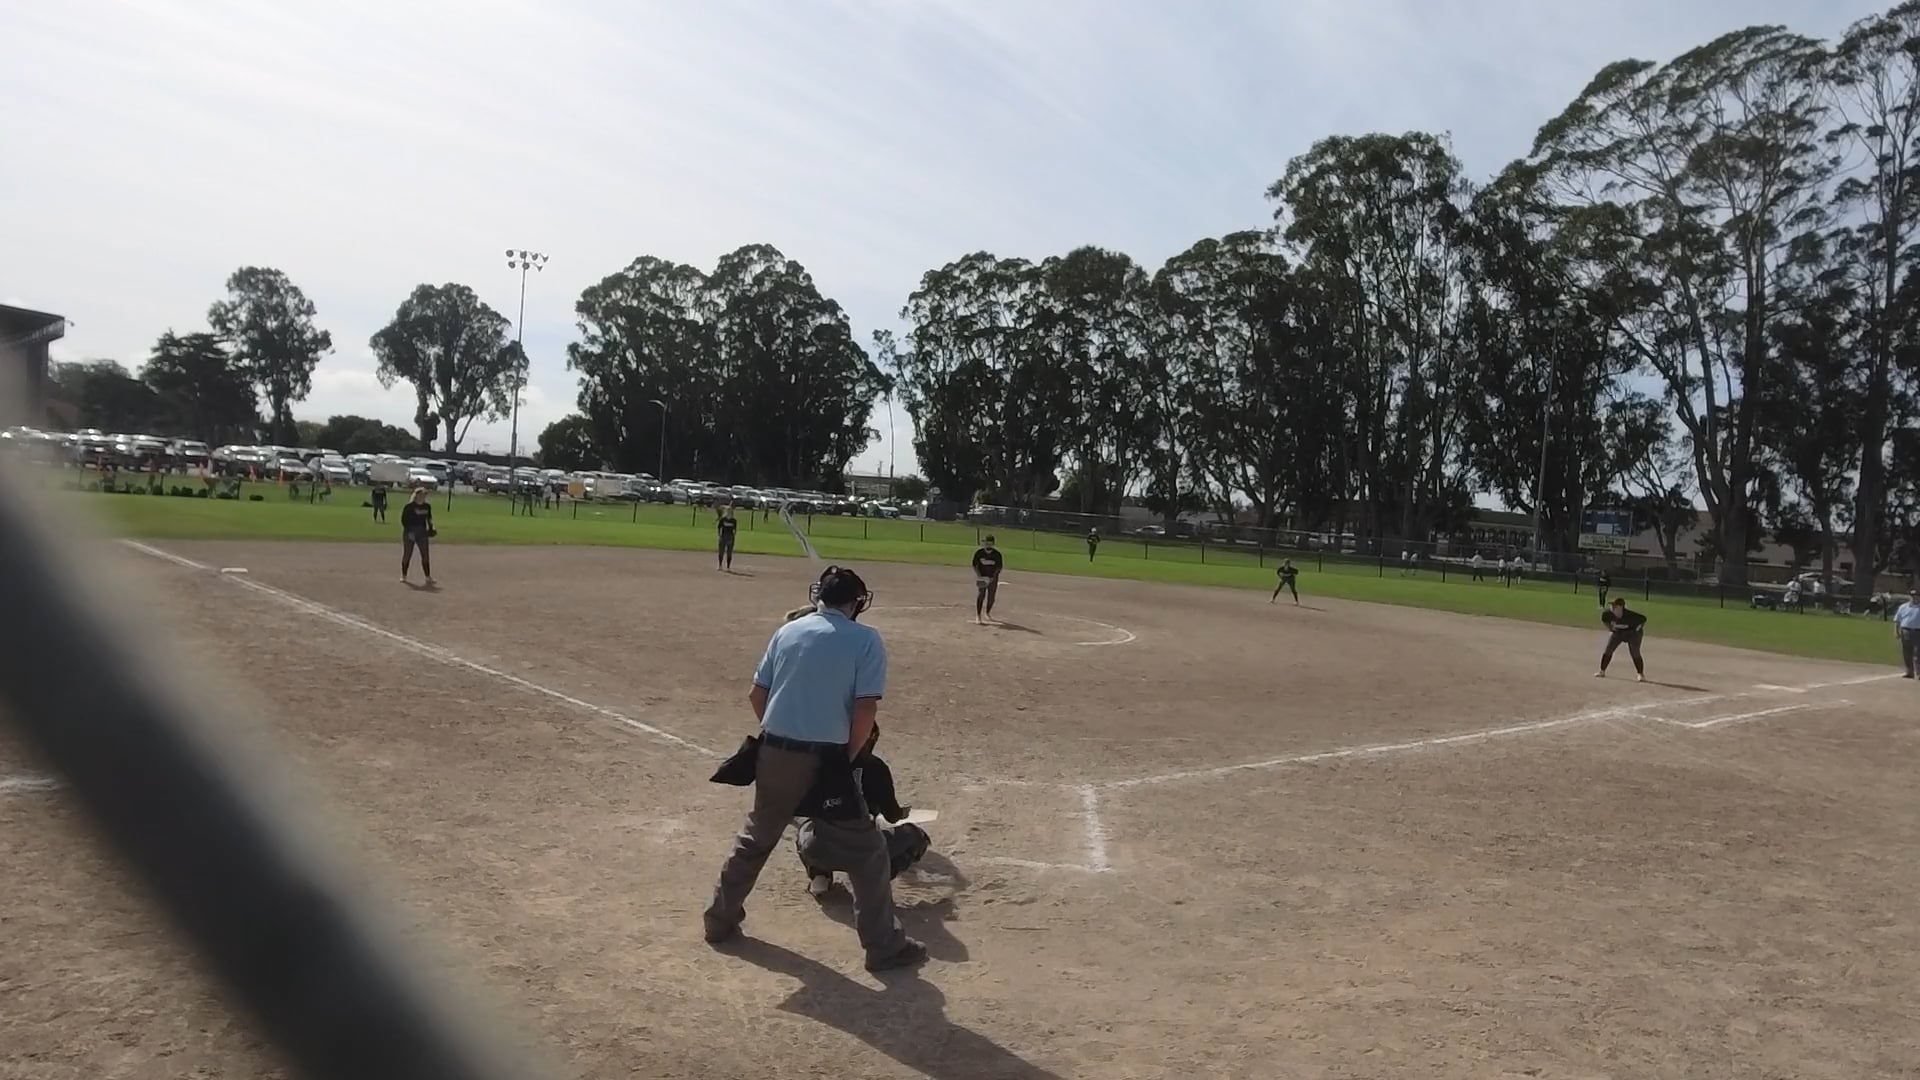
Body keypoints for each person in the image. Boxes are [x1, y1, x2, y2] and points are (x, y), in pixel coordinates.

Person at [704, 565, 925, 972]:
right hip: (826, 758)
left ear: (818, 595)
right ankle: (884, 947)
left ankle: (719, 919)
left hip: (773, 751)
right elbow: (865, 709)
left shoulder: (788, 631)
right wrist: (847, 756)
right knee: (869, 853)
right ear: (856, 602)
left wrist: (781, 734)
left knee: (755, 838)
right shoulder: (865, 639)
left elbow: (756, 695)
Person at [793, 724, 931, 898]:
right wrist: (900, 813)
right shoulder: (876, 766)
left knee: (807, 826)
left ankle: (820, 876)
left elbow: (800, 807)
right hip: (864, 848)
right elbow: (892, 816)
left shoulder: (819, 763)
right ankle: (873, 880)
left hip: (822, 849)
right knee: (916, 837)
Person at [1596, 597, 1647, 681]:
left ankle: (1640, 674)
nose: (1612, 607)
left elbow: (1643, 619)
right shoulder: (1607, 614)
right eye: (1611, 605)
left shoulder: (1630, 615)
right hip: (1618, 632)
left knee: (1635, 652)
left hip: (1633, 634)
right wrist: (1610, 628)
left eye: (1615, 606)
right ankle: (1602, 671)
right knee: (1608, 649)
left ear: (1621, 607)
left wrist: (1637, 629)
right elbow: (1604, 620)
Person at [399, 487, 436, 586]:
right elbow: (404, 520)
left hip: (422, 532)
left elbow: (429, 518)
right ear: (417, 495)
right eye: (422, 494)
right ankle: (404, 575)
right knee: (407, 554)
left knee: (425, 555)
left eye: (425, 495)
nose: (424, 497)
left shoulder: (427, 506)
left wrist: (431, 528)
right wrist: (409, 532)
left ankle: (428, 577)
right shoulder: (409, 507)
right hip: (410, 532)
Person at [971, 534, 1004, 624]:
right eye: (986, 543)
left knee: (991, 597)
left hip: (993, 578)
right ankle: (978, 615)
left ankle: (987, 613)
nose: (988, 545)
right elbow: (974, 565)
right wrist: (979, 576)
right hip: (982, 577)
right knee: (981, 594)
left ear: (993, 544)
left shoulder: (997, 555)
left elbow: (999, 567)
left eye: (990, 543)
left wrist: (993, 576)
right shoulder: (979, 553)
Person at [1896, 587, 1920, 679]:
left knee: (1918, 652)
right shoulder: (1903, 607)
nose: (1914, 597)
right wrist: (1896, 631)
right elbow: (1897, 620)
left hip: (1918, 631)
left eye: (1916, 596)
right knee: (1906, 652)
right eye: (1912, 596)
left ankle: (1919, 672)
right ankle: (1909, 672)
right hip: (1905, 630)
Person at [717, 506, 738, 571]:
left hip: (730, 537)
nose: (729, 512)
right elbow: (719, 527)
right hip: (723, 536)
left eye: (730, 511)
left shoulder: (734, 520)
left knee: (729, 552)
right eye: (728, 511)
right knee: (721, 552)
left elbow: (735, 529)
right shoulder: (723, 519)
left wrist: (733, 536)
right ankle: (720, 565)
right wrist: (719, 535)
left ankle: (728, 567)